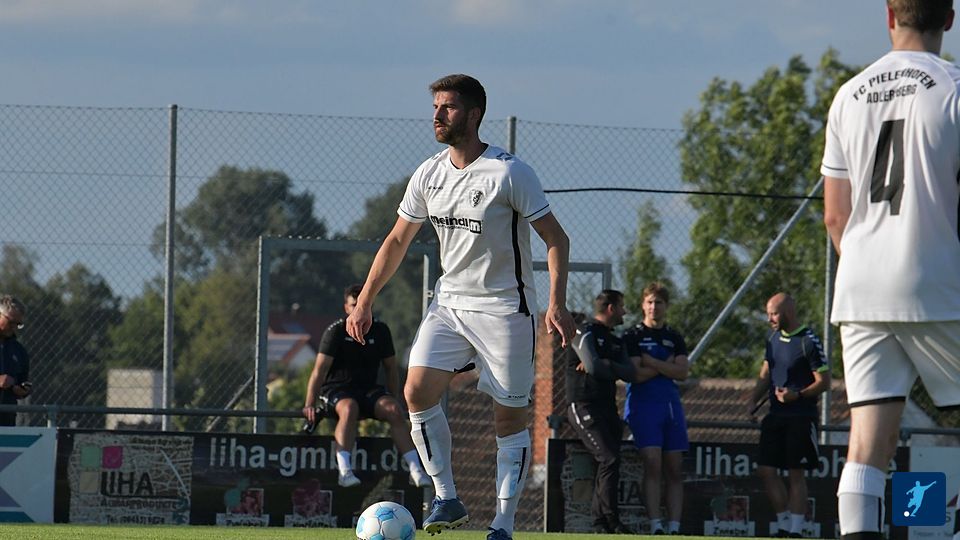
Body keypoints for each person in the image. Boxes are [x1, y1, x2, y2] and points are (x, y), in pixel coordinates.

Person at [345, 74, 576, 540]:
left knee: (508, 420)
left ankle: (503, 524)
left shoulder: (509, 173)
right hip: (450, 304)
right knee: (415, 391)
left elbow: (556, 238)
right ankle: (446, 497)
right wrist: (365, 298)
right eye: (435, 107)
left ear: (473, 115)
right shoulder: (428, 173)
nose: (437, 115)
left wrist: (557, 302)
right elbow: (397, 240)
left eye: (447, 107)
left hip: (506, 311)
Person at [820, 2, 960, 539]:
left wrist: (867, 261)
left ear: (889, 16)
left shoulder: (849, 94)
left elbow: (835, 215)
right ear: (949, 19)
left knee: (865, 446)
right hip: (934, 279)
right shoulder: (952, 89)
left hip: (860, 285)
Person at [302, 284, 429, 488]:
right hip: (337, 390)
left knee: (393, 410)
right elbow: (319, 370)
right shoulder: (336, 331)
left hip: (368, 391)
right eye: (353, 305)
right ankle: (345, 471)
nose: (358, 309)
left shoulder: (381, 330)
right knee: (349, 408)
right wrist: (309, 403)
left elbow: (391, 368)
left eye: (362, 304)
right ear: (346, 308)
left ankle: (416, 470)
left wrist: (394, 397)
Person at [747, 292, 830, 538]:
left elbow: (824, 381)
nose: (769, 319)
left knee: (796, 473)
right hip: (775, 415)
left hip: (801, 417)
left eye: (774, 313)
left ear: (788, 312)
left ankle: (795, 530)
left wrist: (798, 395)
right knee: (766, 470)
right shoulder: (772, 338)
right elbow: (766, 373)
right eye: (768, 314)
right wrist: (752, 400)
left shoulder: (808, 341)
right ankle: (783, 523)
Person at [566, 290, 636, 534]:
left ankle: (600, 523)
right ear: (611, 308)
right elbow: (595, 368)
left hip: (608, 408)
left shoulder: (615, 341)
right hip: (584, 405)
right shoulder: (583, 331)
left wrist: (607, 364)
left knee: (609, 462)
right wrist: (603, 366)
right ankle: (611, 520)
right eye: (622, 306)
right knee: (609, 458)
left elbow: (630, 373)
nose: (625, 312)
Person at [622, 282, 689, 535]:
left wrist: (651, 362)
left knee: (674, 467)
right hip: (643, 406)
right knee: (652, 463)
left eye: (658, 302)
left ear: (666, 306)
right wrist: (664, 365)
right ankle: (655, 525)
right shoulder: (633, 336)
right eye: (649, 302)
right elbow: (636, 374)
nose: (653, 307)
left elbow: (682, 372)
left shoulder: (675, 337)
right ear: (642, 305)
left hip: (670, 406)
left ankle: (674, 527)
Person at [0, 295, 31, 427]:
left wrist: (24, 389)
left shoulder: (19, 351)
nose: (14, 327)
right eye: (11, 322)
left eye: (18, 324)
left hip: (6, 419)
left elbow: (24, 380)